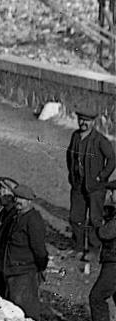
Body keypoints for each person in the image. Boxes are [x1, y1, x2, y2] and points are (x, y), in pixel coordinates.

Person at [0, 182, 51, 321]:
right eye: (16, 198)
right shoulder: (16, 216)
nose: (17, 201)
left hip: (24, 272)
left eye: (21, 199)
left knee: (25, 310)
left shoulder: (33, 220)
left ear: (29, 201)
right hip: (12, 270)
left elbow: (39, 249)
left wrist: (41, 267)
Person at [67, 109, 115, 271]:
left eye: (86, 121)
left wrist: (102, 177)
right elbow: (69, 155)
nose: (83, 123)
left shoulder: (100, 140)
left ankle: (94, 250)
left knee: (95, 219)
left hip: (95, 188)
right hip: (78, 186)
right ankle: (78, 247)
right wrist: (72, 175)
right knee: (76, 217)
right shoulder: (75, 136)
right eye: (80, 120)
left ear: (93, 123)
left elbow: (112, 159)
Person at [89, 196, 116, 321]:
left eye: (114, 192)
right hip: (111, 260)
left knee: (97, 297)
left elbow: (106, 233)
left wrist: (98, 224)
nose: (111, 195)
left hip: (114, 263)